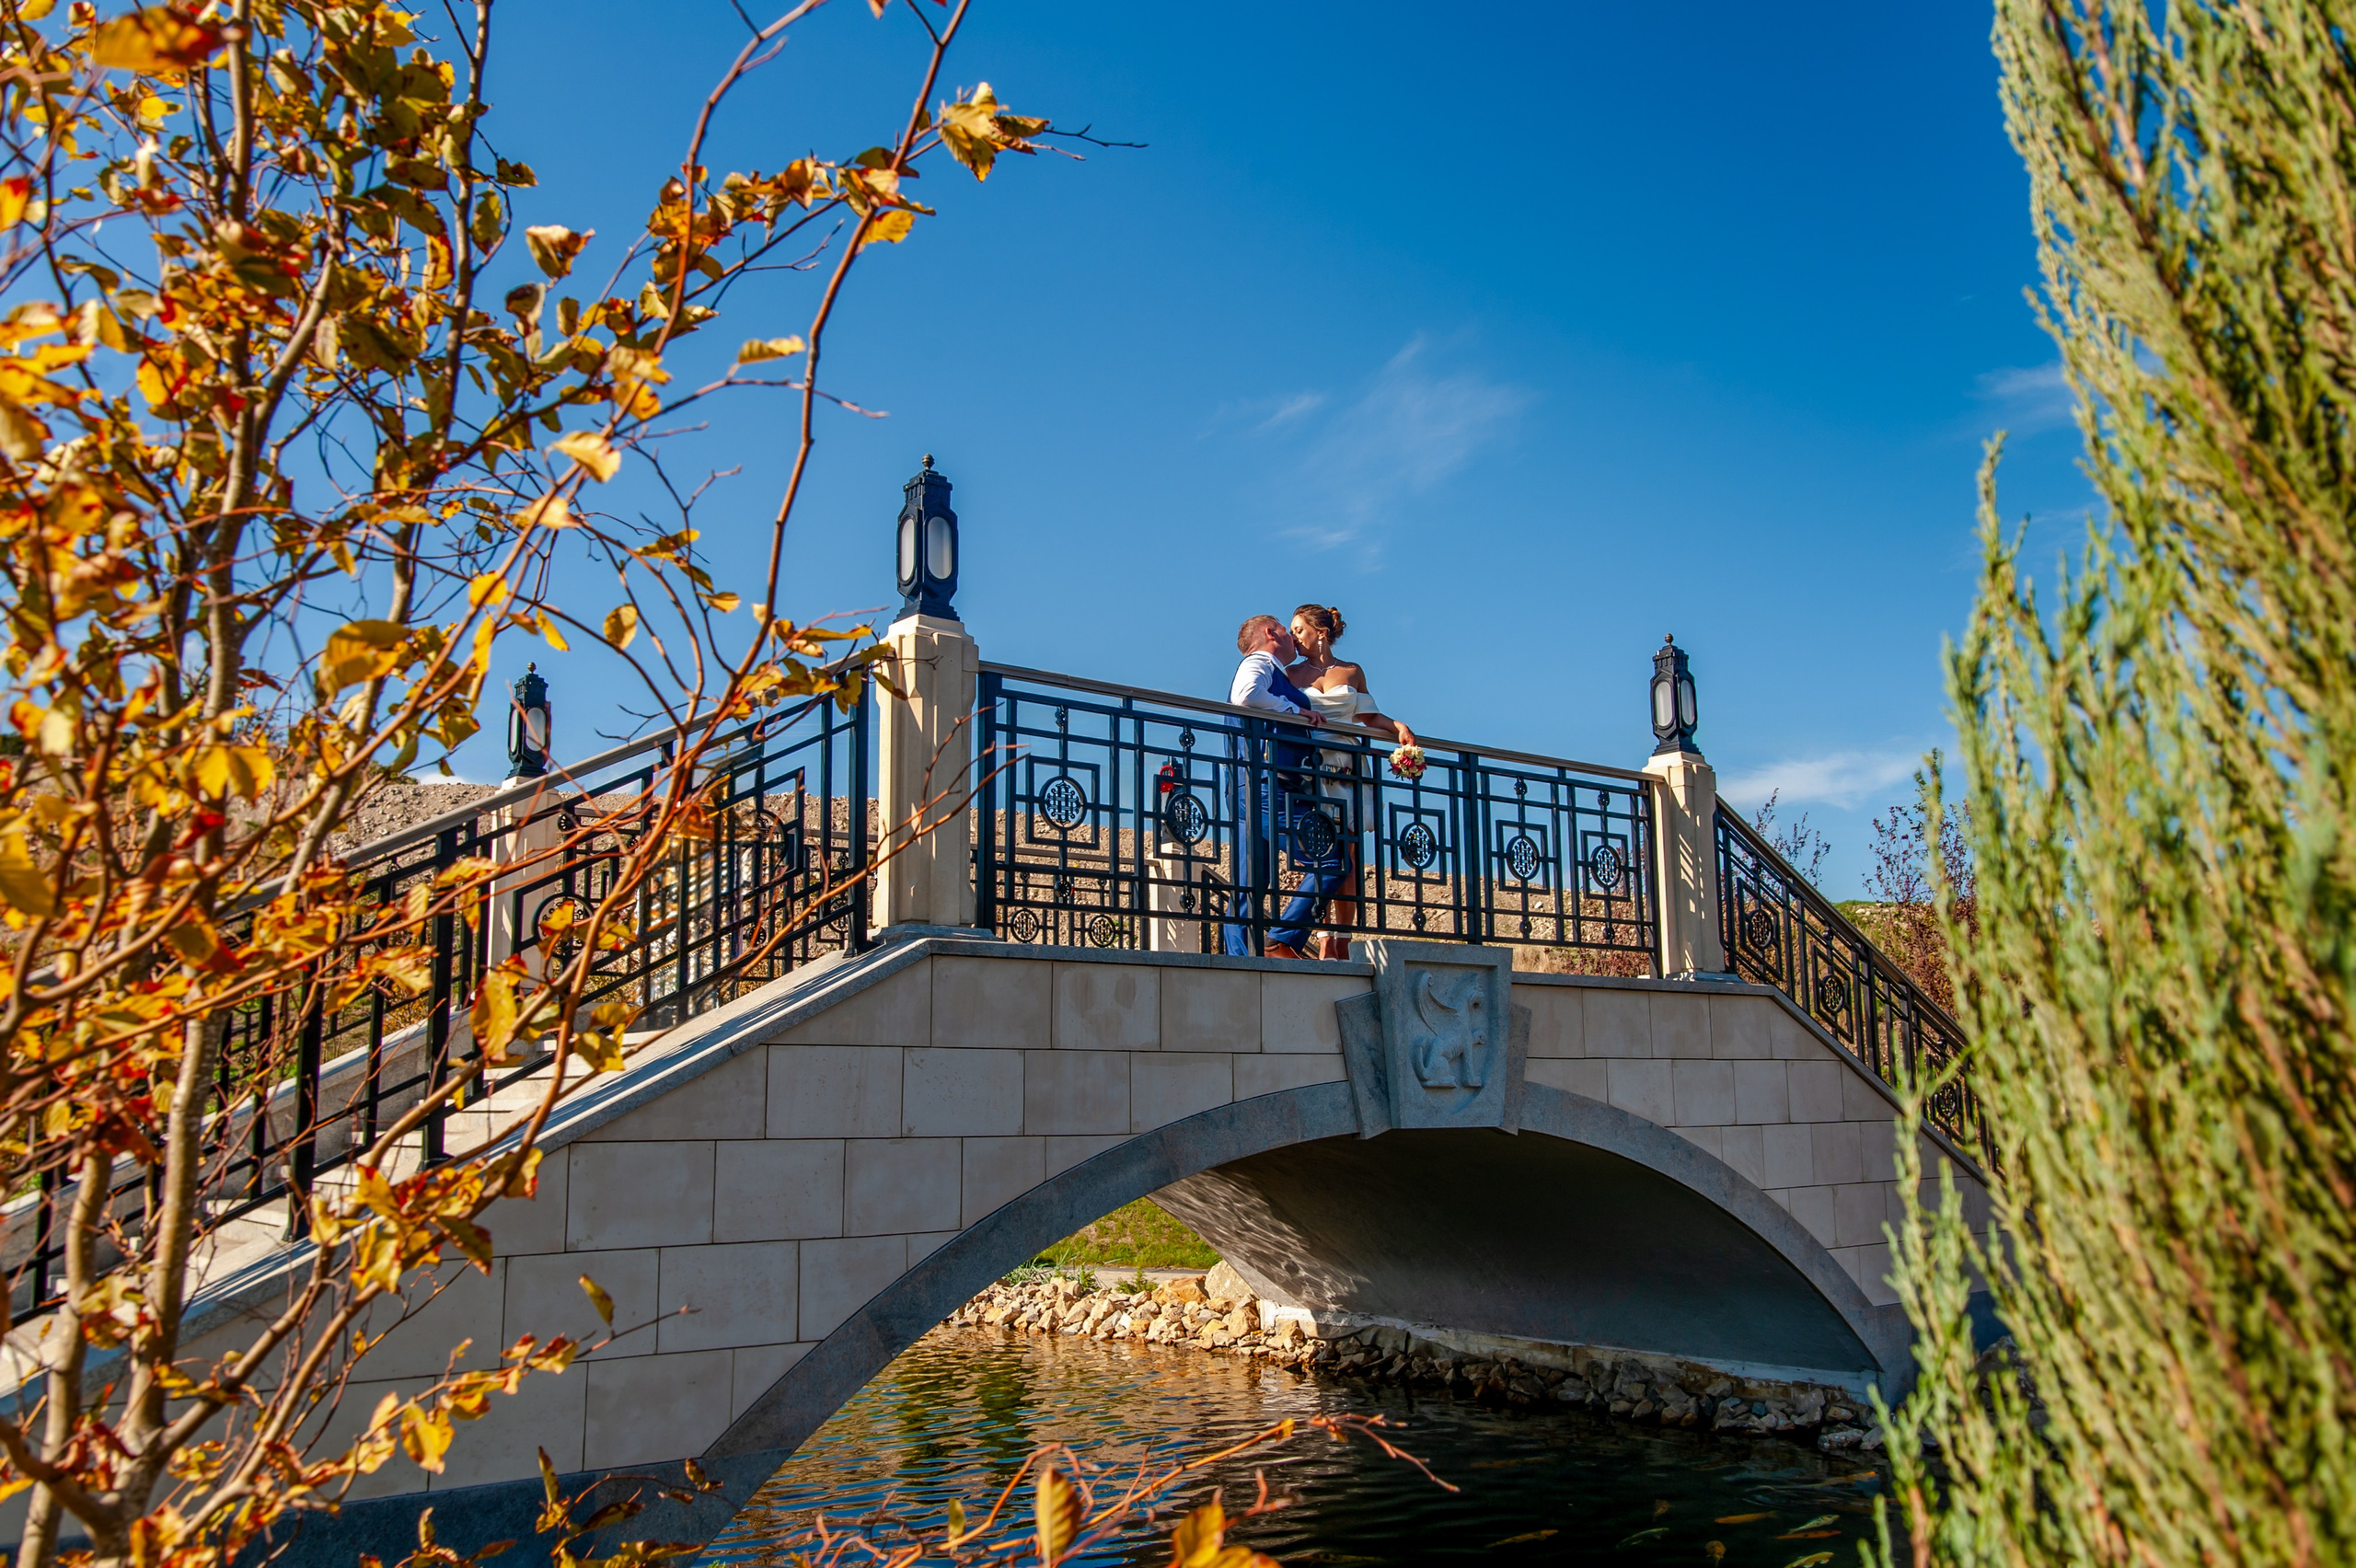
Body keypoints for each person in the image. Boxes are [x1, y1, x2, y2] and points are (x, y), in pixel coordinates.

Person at [1286, 605, 1417, 961]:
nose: (1293, 636)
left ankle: (1341, 937)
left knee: (1350, 855)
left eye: (1299, 629)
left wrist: (1398, 727)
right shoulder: (1291, 673)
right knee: (1322, 852)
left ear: (1320, 632)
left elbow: (1368, 717)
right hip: (1310, 766)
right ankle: (1321, 931)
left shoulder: (1352, 671)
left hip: (1348, 766)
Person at [1222, 613, 1341, 960]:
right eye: (1287, 631)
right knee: (1329, 861)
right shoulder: (1260, 662)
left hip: (1245, 785)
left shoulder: (1269, 669)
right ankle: (1281, 939)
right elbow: (1246, 696)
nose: (1292, 637)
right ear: (1271, 633)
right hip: (1268, 785)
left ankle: (1237, 958)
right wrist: (1294, 710)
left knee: (1249, 883)